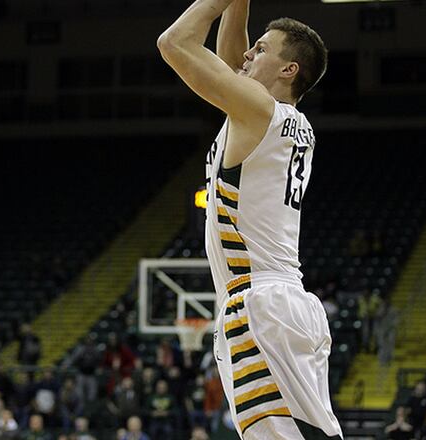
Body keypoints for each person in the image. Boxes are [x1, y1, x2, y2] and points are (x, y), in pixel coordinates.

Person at [158, 0, 338, 438]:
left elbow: (174, 42)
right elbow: (228, 61)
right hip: (284, 301)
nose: (247, 55)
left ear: (288, 70)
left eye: (261, 49)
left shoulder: (258, 110)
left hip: (259, 303)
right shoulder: (281, 120)